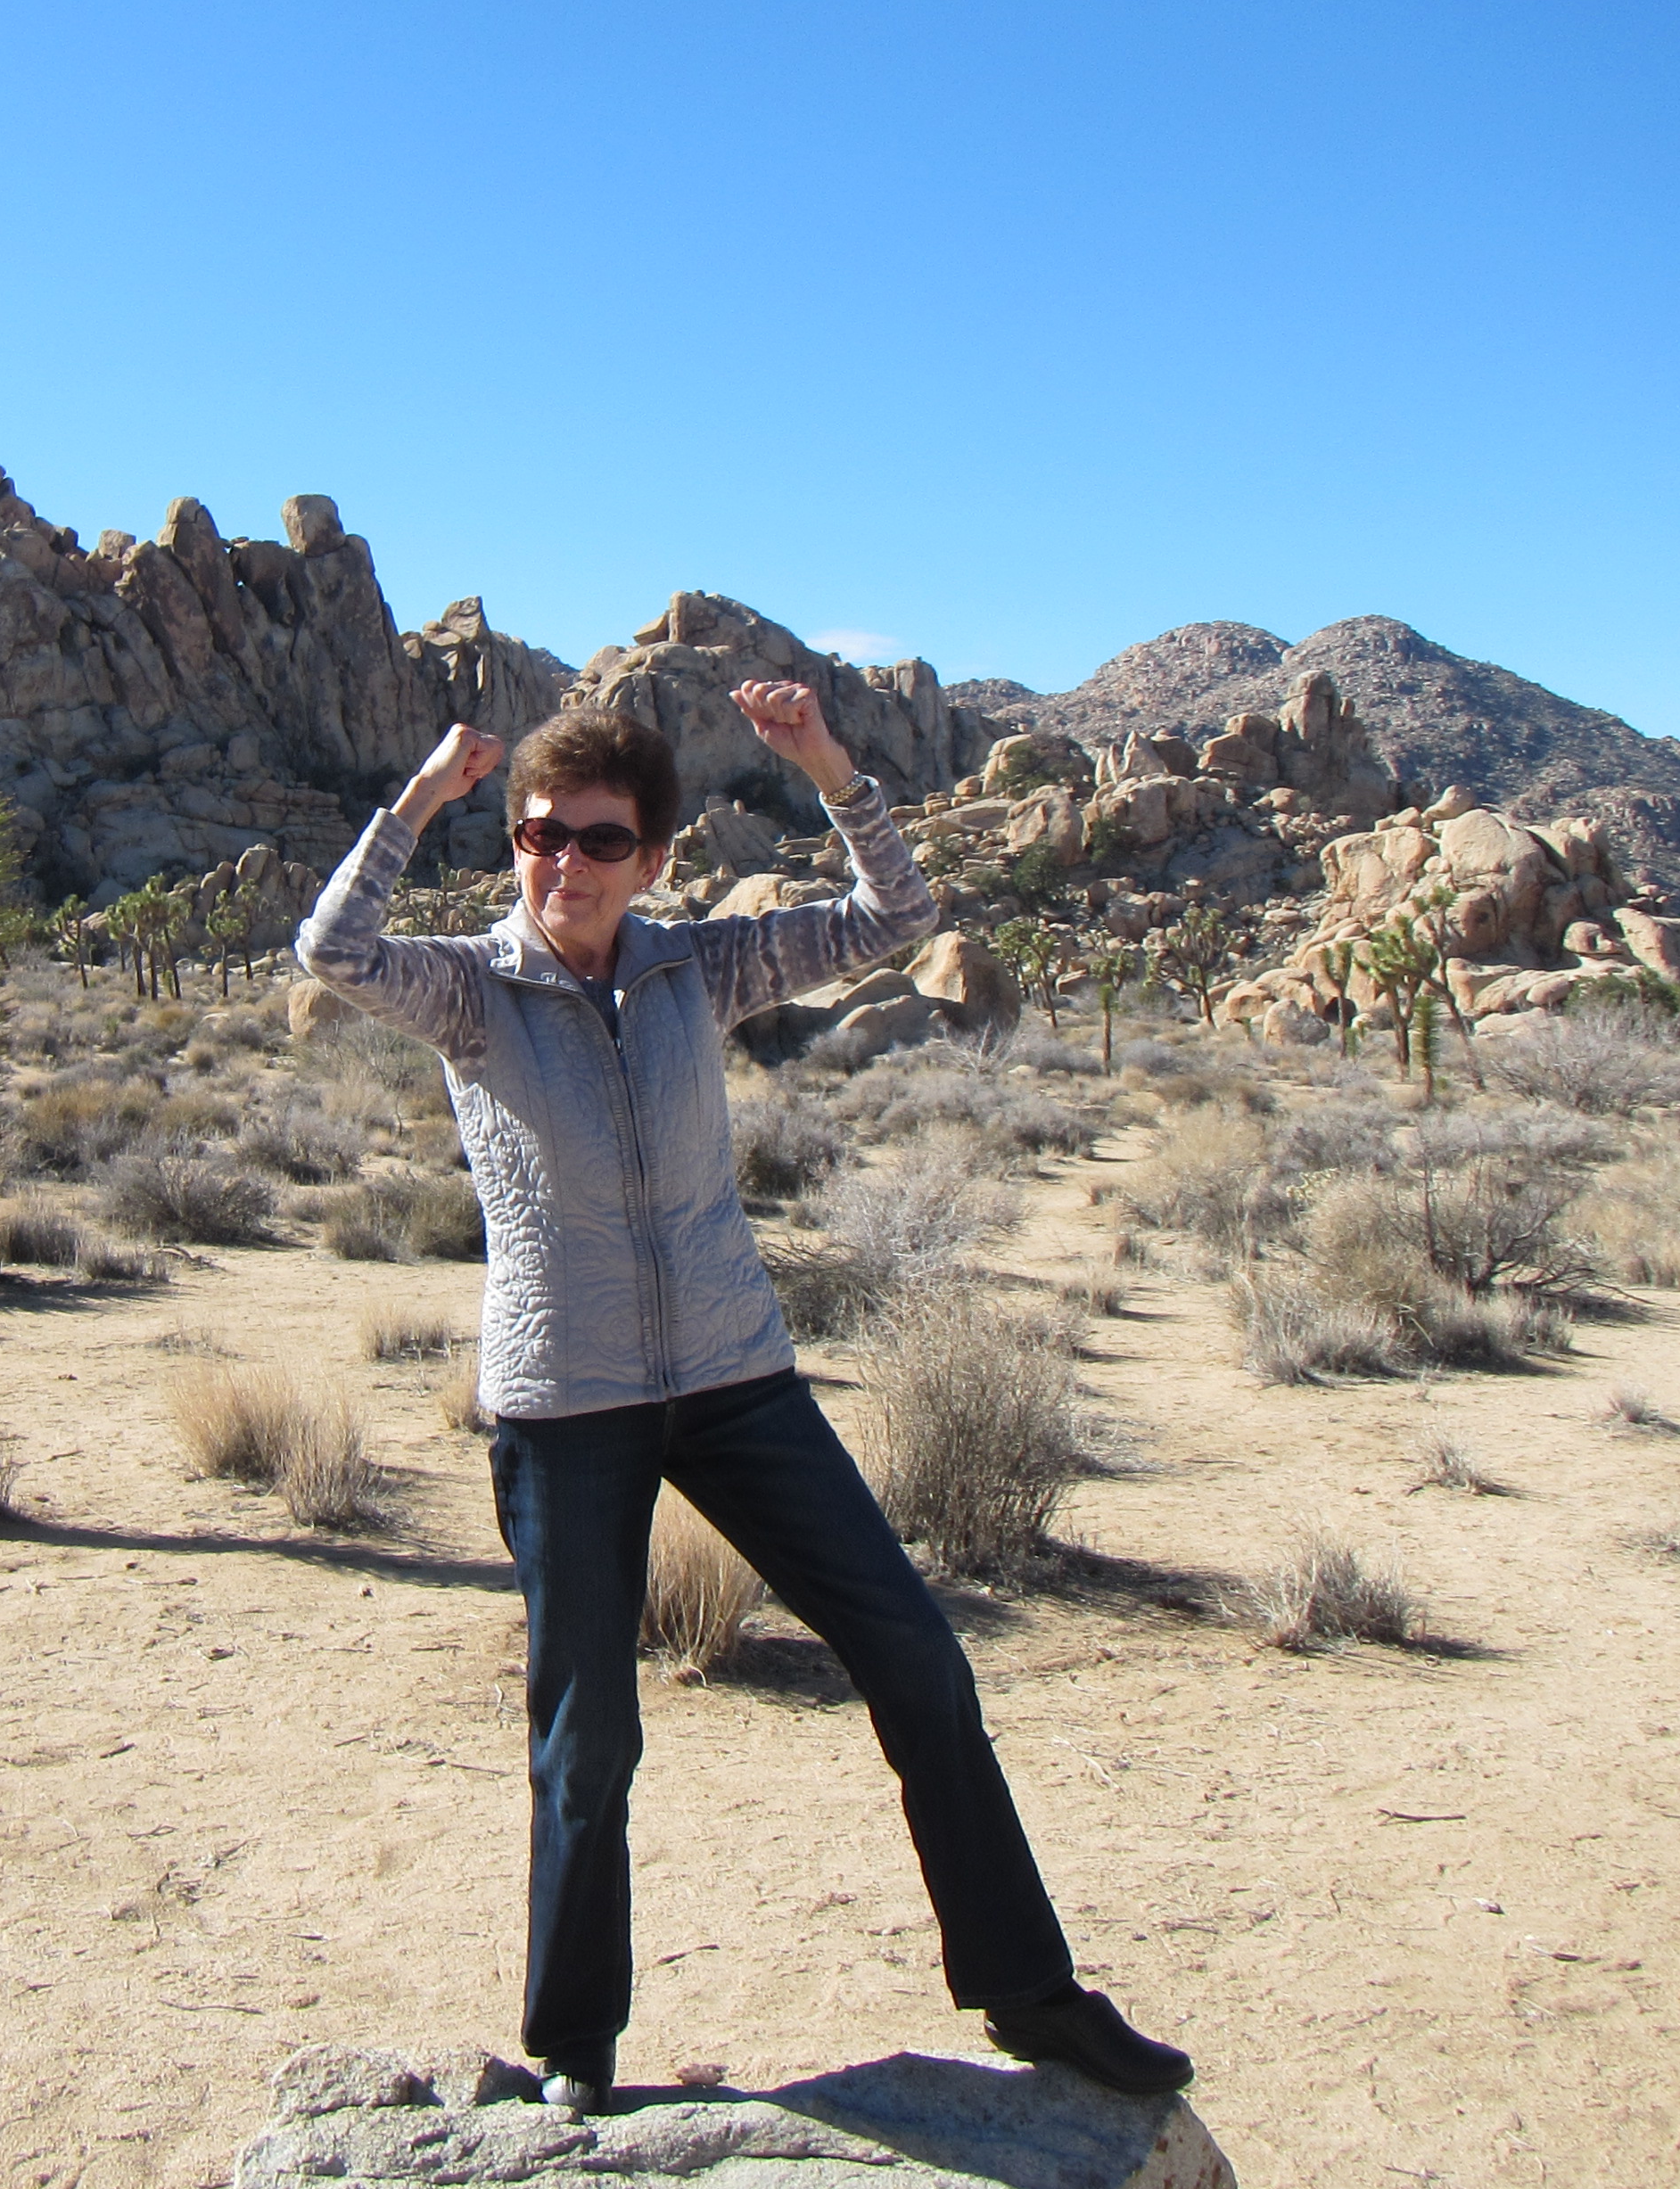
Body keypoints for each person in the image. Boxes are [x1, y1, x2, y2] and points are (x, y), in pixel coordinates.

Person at [296, 683, 1193, 2114]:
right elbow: (333, 949)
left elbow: (895, 915)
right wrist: (418, 803)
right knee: (589, 1739)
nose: (565, 863)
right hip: (565, 1405)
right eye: (540, 835)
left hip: (735, 1380)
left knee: (918, 1660)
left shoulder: (696, 967)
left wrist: (831, 767)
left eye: (600, 839)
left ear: (652, 858)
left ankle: (1031, 1993)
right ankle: (574, 2053)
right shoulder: (471, 989)